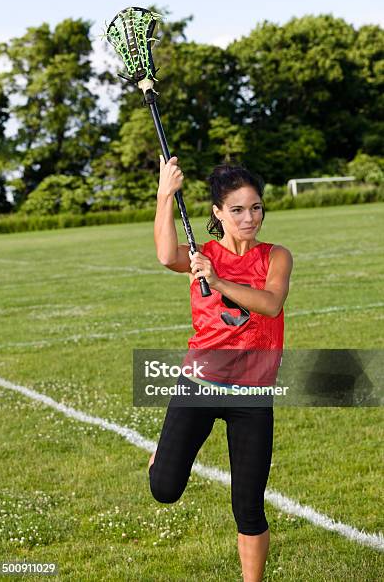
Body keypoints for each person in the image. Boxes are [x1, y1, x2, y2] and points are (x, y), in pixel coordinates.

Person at [148, 155, 293, 582]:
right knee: (165, 489)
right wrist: (164, 195)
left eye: (256, 207)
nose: (250, 218)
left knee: (248, 505)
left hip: (252, 391)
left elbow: (270, 304)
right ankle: (162, 454)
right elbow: (162, 255)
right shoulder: (201, 254)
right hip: (200, 382)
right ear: (217, 213)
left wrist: (219, 279)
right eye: (237, 209)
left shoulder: (276, 256)